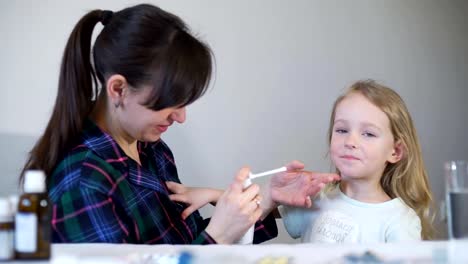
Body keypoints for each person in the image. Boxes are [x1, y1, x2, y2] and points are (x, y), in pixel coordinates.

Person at [21, 4, 338, 244]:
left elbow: (176, 242)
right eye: (170, 102)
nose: (180, 117)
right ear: (118, 89)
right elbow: (198, 248)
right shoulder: (84, 183)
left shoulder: (150, 148)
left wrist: (265, 201)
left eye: (185, 102)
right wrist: (218, 235)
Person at [279, 80, 435, 243]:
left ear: (395, 151)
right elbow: (256, 218)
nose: (350, 141)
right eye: (342, 130)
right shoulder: (315, 198)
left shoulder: (399, 221)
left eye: (368, 134)